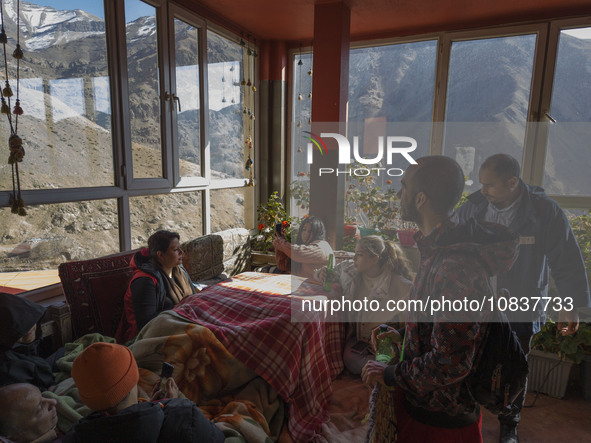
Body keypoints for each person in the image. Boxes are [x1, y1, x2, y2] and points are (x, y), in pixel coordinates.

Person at [361, 155, 519, 443]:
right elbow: (441, 330)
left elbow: (451, 362)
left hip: (442, 423)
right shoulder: (439, 251)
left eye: (404, 187)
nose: (399, 194)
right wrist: (402, 335)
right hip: (427, 410)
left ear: (420, 199)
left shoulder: (455, 267)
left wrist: (391, 374)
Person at [453, 153, 591, 443]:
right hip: (478, 303)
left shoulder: (544, 212)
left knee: (515, 365)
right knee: (469, 357)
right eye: (481, 184)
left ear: (512, 182)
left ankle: (509, 423)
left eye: (489, 185)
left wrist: (571, 306)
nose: (483, 191)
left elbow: (565, 260)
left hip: (522, 304)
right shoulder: (475, 207)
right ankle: (467, 416)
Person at [63, 342, 224, 442]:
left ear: (87, 399)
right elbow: (220, 438)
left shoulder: (76, 436)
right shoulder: (185, 416)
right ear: (134, 377)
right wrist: (173, 405)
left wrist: (150, 406)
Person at [315, 235, 412, 374]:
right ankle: (381, 369)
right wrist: (321, 274)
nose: (354, 258)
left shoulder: (400, 286)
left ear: (375, 259)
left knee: (385, 358)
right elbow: (329, 272)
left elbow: (410, 324)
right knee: (349, 359)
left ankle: (385, 369)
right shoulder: (349, 270)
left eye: (359, 255)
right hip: (359, 339)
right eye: (355, 253)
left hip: (384, 339)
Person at [116, 230, 197, 343]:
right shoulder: (145, 281)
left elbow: (194, 298)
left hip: (179, 324)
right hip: (149, 338)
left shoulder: (179, 270)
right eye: (175, 250)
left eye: (180, 248)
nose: (181, 252)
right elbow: (145, 323)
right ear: (160, 255)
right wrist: (182, 309)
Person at [0, 293, 55, 390]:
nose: (28, 330)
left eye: (29, 321)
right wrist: (51, 387)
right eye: (20, 330)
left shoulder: (23, 348)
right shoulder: (9, 368)